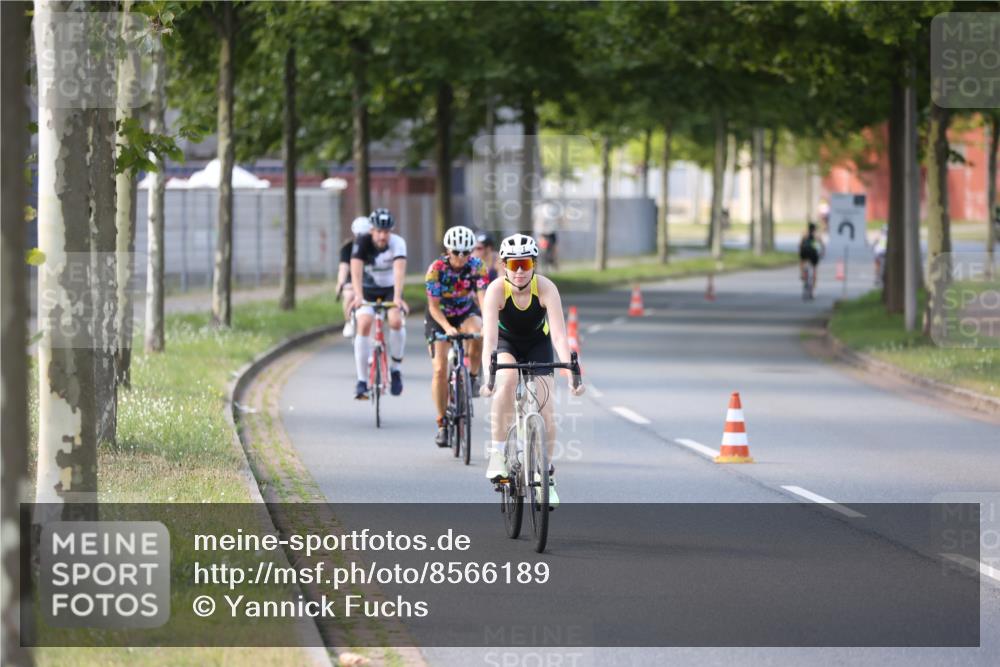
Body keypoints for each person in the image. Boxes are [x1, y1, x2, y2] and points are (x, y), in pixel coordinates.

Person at [479, 233, 585, 507]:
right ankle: (498, 454)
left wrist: (572, 374)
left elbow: (561, 337)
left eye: (525, 264)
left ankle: (547, 478)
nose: (519, 271)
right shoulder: (495, 290)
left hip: (538, 344)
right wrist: (488, 377)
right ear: (504, 266)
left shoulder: (546, 288)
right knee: (508, 377)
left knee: (547, 407)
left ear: (534, 265)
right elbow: (489, 339)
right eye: (513, 265)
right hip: (506, 343)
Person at [425, 225, 489, 447]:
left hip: (464, 311)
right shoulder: (436, 269)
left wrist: (487, 321)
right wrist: (446, 327)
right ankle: (442, 423)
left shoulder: (477, 266)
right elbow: (433, 307)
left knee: (479, 332)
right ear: (447, 250)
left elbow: (482, 298)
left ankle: (471, 377)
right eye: (456, 252)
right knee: (440, 369)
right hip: (439, 316)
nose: (461, 257)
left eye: (466, 253)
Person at [349, 208, 407, 399]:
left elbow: (399, 271)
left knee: (396, 321)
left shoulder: (398, 243)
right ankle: (361, 381)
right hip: (367, 289)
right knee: (364, 323)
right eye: (379, 231)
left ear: (391, 231)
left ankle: (396, 369)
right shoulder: (362, 242)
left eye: (386, 231)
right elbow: (355, 272)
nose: (382, 236)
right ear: (371, 230)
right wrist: (358, 296)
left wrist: (398, 298)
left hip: (390, 289)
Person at [336, 216, 372, 337]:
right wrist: (341, 282)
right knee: (349, 295)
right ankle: (348, 322)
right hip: (352, 279)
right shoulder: (347, 248)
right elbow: (344, 267)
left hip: (370, 279)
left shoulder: (375, 247)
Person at [799, 222, 825, 297]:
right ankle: (813, 289)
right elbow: (822, 245)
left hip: (805, 253)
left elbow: (800, 245)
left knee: (802, 262)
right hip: (813, 254)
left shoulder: (804, 234)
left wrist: (800, 251)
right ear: (815, 229)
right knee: (814, 269)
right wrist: (822, 253)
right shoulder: (817, 235)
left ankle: (802, 274)